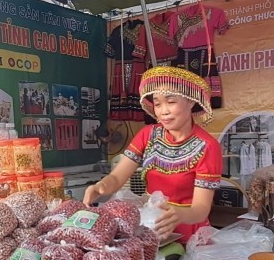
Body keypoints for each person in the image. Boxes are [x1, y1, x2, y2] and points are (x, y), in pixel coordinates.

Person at [83, 66, 222, 242]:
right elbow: (117, 178)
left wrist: (179, 214)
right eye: (157, 103)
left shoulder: (207, 146)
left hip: (191, 235)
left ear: (191, 101)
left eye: (171, 102)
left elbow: (201, 209)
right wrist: (100, 187)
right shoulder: (148, 134)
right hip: (151, 227)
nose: (163, 111)